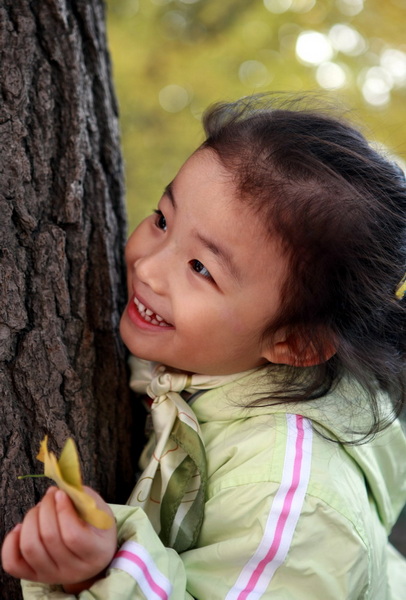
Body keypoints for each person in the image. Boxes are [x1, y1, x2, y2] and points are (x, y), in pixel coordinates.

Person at [2, 93, 406, 599]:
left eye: (200, 268)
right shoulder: (217, 360)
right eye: (162, 219)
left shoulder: (291, 503)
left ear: (296, 344)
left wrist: (105, 572)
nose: (148, 267)